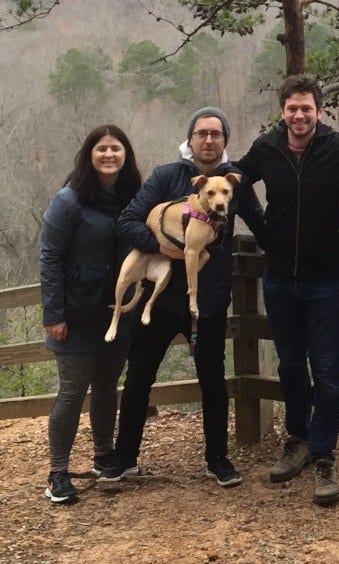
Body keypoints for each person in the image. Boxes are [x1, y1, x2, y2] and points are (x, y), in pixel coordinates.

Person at [98, 107, 264, 487]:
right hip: (160, 296)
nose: (209, 140)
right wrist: (164, 245)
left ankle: (217, 459)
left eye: (216, 134)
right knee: (139, 376)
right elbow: (128, 221)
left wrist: (291, 253)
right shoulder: (166, 177)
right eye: (202, 133)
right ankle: (124, 458)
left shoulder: (234, 182)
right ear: (190, 139)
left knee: (213, 380)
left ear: (225, 140)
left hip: (210, 297)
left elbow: (260, 224)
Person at [235, 74, 339, 506]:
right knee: (291, 365)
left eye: (307, 108)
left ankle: (323, 453)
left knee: (328, 371)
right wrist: (264, 230)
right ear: (283, 111)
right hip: (279, 276)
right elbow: (237, 181)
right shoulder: (266, 147)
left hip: (330, 278)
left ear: (319, 110)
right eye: (292, 108)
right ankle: (297, 438)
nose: (299, 115)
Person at [40, 125, 142, 503]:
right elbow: (49, 257)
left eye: (116, 148)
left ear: (126, 155)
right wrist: (54, 314)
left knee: (105, 386)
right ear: (90, 154)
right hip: (75, 312)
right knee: (71, 391)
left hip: (116, 313)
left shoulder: (133, 196)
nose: (109, 155)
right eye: (102, 149)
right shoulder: (68, 201)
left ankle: (103, 455)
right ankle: (57, 472)